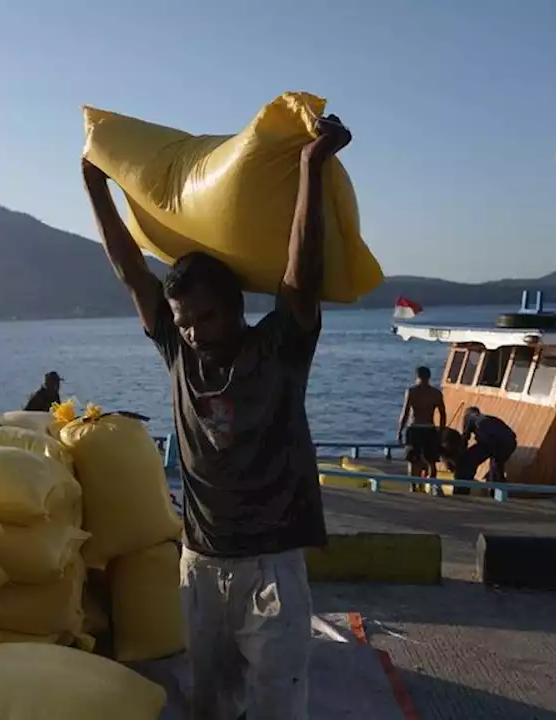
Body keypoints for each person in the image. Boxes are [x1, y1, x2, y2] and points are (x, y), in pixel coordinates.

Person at [83, 113, 351, 718]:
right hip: (200, 565)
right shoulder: (178, 353)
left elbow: (302, 274)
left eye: (206, 317)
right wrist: (97, 187)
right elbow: (131, 270)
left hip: (272, 570)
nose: (195, 332)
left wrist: (313, 165)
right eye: (183, 321)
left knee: (278, 707)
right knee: (208, 705)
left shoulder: (279, 349)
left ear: (236, 306)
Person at [396, 366, 447, 484]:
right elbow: (443, 414)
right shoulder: (436, 393)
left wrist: (399, 431)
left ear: (417, 376)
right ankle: (432, 485)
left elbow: (405, 413)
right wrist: (441, 431)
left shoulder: (412, 391)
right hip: (429, 428)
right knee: (431, 460)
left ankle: (413, 486)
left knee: (413, 460)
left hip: (414, 428)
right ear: (429, 377)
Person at [460, 406, 517, 484]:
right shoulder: (490, 418)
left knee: (468, 460)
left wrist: (461, 454)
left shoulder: (469, 417)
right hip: (510, 442)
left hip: (491, 441)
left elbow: (465, 438)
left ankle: (463, 487)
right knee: (496, 467)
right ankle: (497, 491)